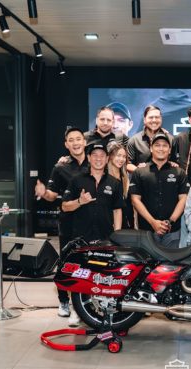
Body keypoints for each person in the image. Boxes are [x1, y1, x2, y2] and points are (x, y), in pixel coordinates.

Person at [34, 127, 88, 319]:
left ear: (84, 141)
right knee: (66, 263)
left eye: (78, 139)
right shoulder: (60, 167)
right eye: (71, 140)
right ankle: (64, 301)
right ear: (66, 144)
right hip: (68, 222)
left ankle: (83, 304)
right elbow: (51, 195)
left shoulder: (96, 162)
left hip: (92, 222)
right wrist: (43, 193)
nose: (75, 143)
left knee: (88, 263)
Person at [130, 133, 189, 247]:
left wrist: (169, 222)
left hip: (173, 232)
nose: (161, 148)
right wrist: (153, 222)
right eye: (157, 145)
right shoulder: (139, 172)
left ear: (169, 150)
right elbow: (135, 200)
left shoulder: (179, 172)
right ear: (151, 148)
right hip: (147, 231)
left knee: (173, 259)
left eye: (164, 145)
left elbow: (183, 199)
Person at [62, 141, 124, 242]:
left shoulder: (115, 183)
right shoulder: (76, 180)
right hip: (81, 240)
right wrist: (79, 201)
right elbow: (64, 207)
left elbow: (117, 210)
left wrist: (117, 236)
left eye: (102, 155)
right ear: (89, 158)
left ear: (107, 159)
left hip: (106, 239)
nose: (98, 159)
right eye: (95, 155)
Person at [126, 105, 173, 173]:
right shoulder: (134, 140)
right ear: (144, 120)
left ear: (161, 119)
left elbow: (175, 163)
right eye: (151, 117)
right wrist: (141, 172)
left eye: (157, 117)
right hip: (141, 179)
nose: (154, 120)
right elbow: (128, 164)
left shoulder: (170, 139)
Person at [107, 142, 134, 229]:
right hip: (108, 223)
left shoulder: (125, 177)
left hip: (125, 223)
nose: (121, 159)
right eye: (118, 155)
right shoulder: (104, 177)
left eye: (124, 156)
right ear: (110, 156)